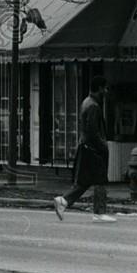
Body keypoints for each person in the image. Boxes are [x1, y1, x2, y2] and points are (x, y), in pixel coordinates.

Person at [54, 76, 117, 223]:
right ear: (100, 88)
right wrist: (103, 145)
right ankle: (99, 212)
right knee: (100, 179)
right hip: (93, 149)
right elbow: (93, 132)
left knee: (85, 181)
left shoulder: (86, 102)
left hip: (86, 147)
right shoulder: (94, 106)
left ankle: (63, 201)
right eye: (105, 88)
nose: (106, 92)